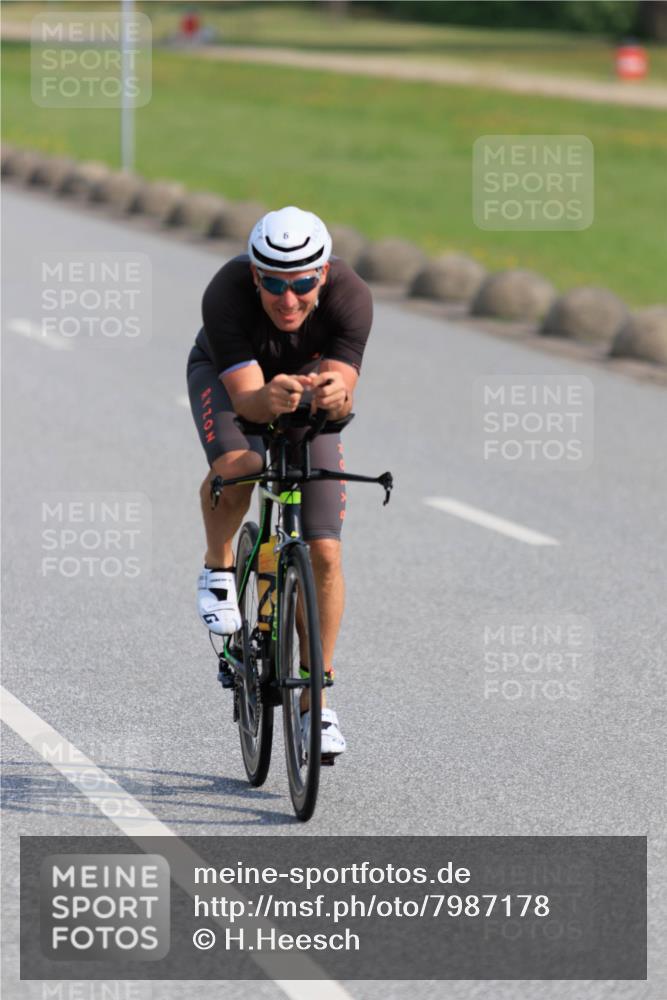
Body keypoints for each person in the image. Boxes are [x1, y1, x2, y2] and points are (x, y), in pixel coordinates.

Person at [186, 206, 373, 756]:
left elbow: (344, 387)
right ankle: (219, 570)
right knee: (241, 466)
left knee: (326, 552)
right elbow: (246, 400)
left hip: (305, 393)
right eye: (272, 283)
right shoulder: (225, 293)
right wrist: (266, 400)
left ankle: (317, 703)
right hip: (232, 381)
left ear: (322, 275)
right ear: (254, 276)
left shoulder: (351, 298)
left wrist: (335, 393)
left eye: (300, 284)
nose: (287, 299)